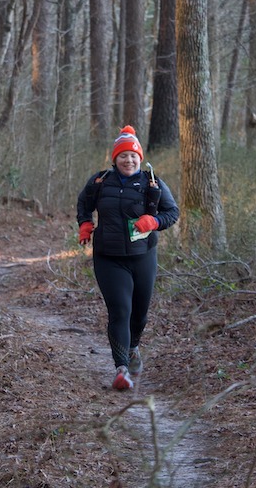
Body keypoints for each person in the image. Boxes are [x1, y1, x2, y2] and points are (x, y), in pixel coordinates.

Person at [76, 126, 179, 390]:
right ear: (115, 158)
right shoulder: (100, 182)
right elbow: (83, 204)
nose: (128, 160)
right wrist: (85, 224)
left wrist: (153, 221)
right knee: (120, 310)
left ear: (140, 157)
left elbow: (172, 213)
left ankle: (133, 347)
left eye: (133, 155)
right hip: (108, 257)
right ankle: (121, 369)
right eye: (123, 155)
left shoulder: (151, 183)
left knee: (140, 314)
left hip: (143, 256)